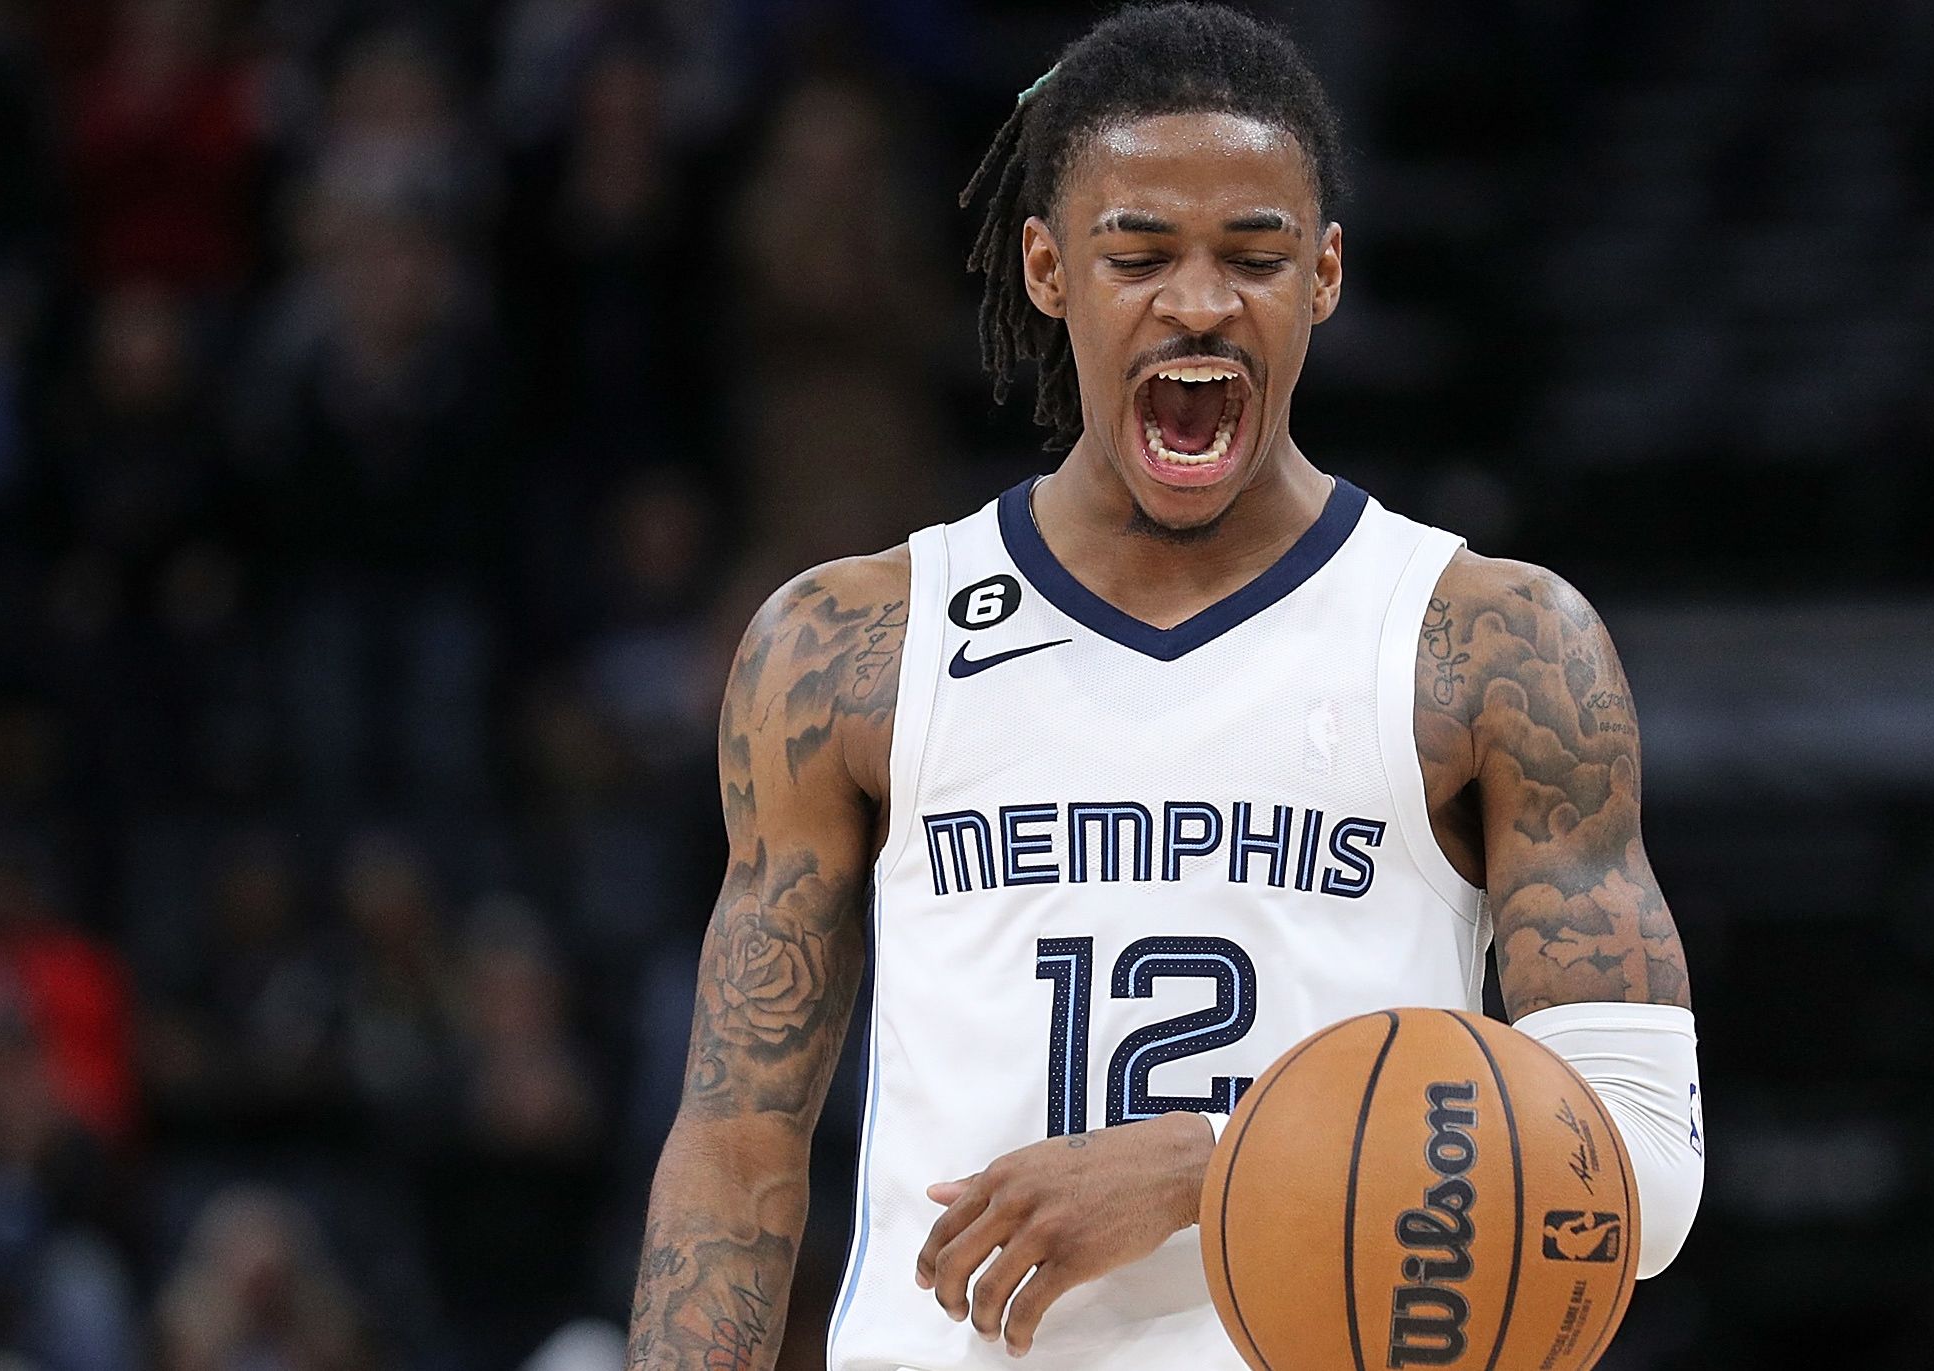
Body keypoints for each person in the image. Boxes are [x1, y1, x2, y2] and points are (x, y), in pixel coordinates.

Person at [627, 6, 1705, 1368]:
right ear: (1047, 267)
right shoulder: (847, 646)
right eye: (1138, 254)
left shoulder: (1491, 645)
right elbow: (736, 1159)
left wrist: (1214, 1166)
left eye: (1252, 257)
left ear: (1322, 277)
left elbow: (1645, 1175)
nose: (1197, 301)